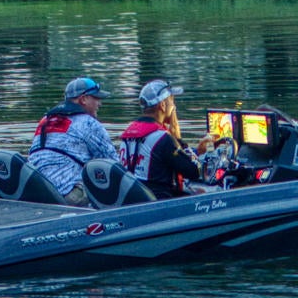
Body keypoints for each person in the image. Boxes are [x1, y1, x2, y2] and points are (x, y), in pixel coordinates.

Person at [28, 76, 120, 206]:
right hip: (68, 196)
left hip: (37, 192)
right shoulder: (89, 123)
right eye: (96, 98)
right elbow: (114, 166)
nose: (100, 103)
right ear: (83, 99)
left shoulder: (45, 121)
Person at [118, 79, 204, 199]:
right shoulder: (163, 138)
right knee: (202, 193)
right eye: (172, 101)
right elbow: (195, 171)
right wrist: (178, 138)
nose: (174, 106)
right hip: (160, 204)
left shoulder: (126, 137)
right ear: (163, 105)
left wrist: (198, 151)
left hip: (133, 199)